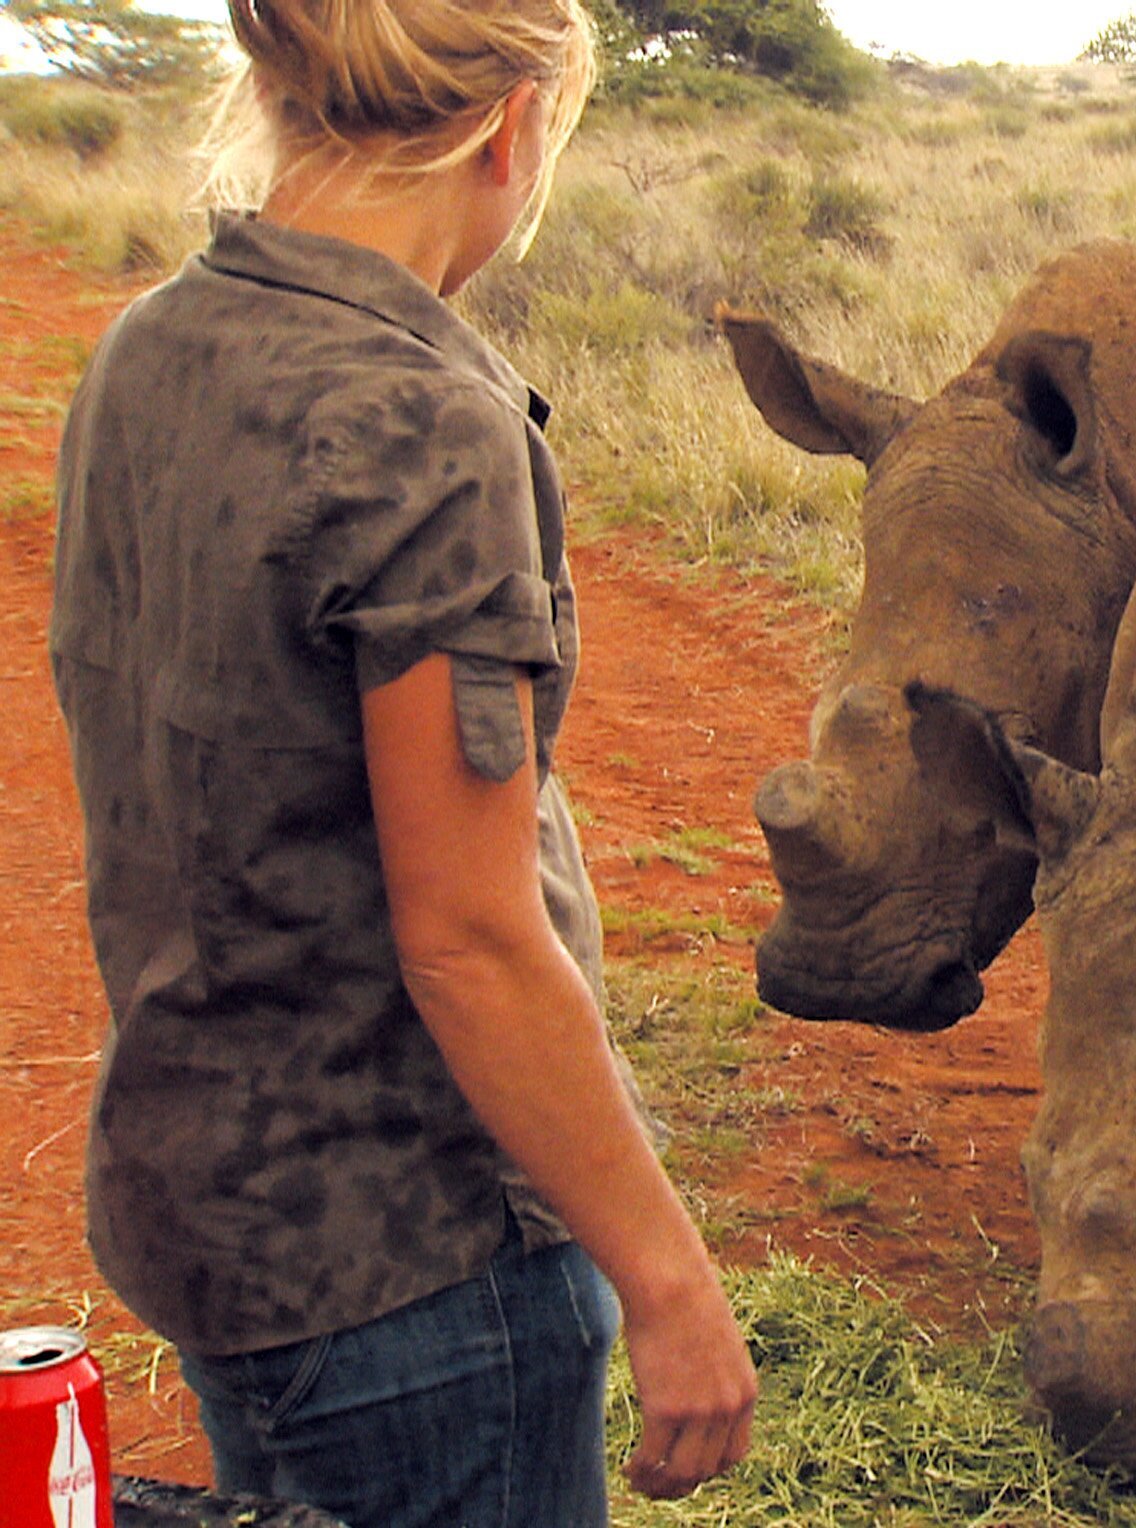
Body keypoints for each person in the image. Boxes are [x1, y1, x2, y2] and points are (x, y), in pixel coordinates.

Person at [46, 3, 758, 1523]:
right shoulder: (419, 423)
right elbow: (472, 936)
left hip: (211, 1194)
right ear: (512, 128)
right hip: (413, 1259)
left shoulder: (151, 343)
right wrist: (670, 1282)